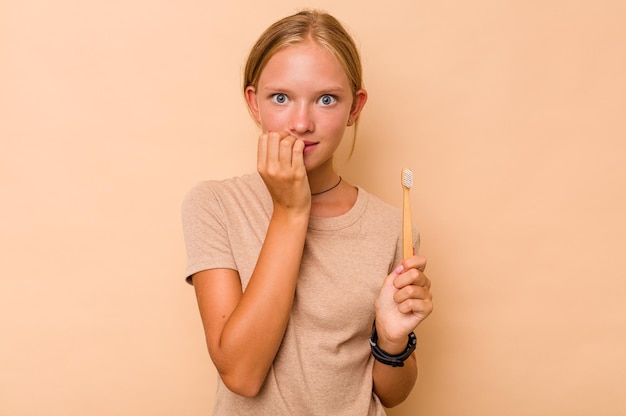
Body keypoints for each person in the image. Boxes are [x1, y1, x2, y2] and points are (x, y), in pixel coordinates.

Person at [181, 9, 433, 415]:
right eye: (280, 98)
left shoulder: (393, 229)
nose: (301, 123)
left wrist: (391, 340)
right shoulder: (214, 205)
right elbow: (242, 374)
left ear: (355, 108)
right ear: (254, 103)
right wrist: (290, 208)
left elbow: (393, 393)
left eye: (327, 99)